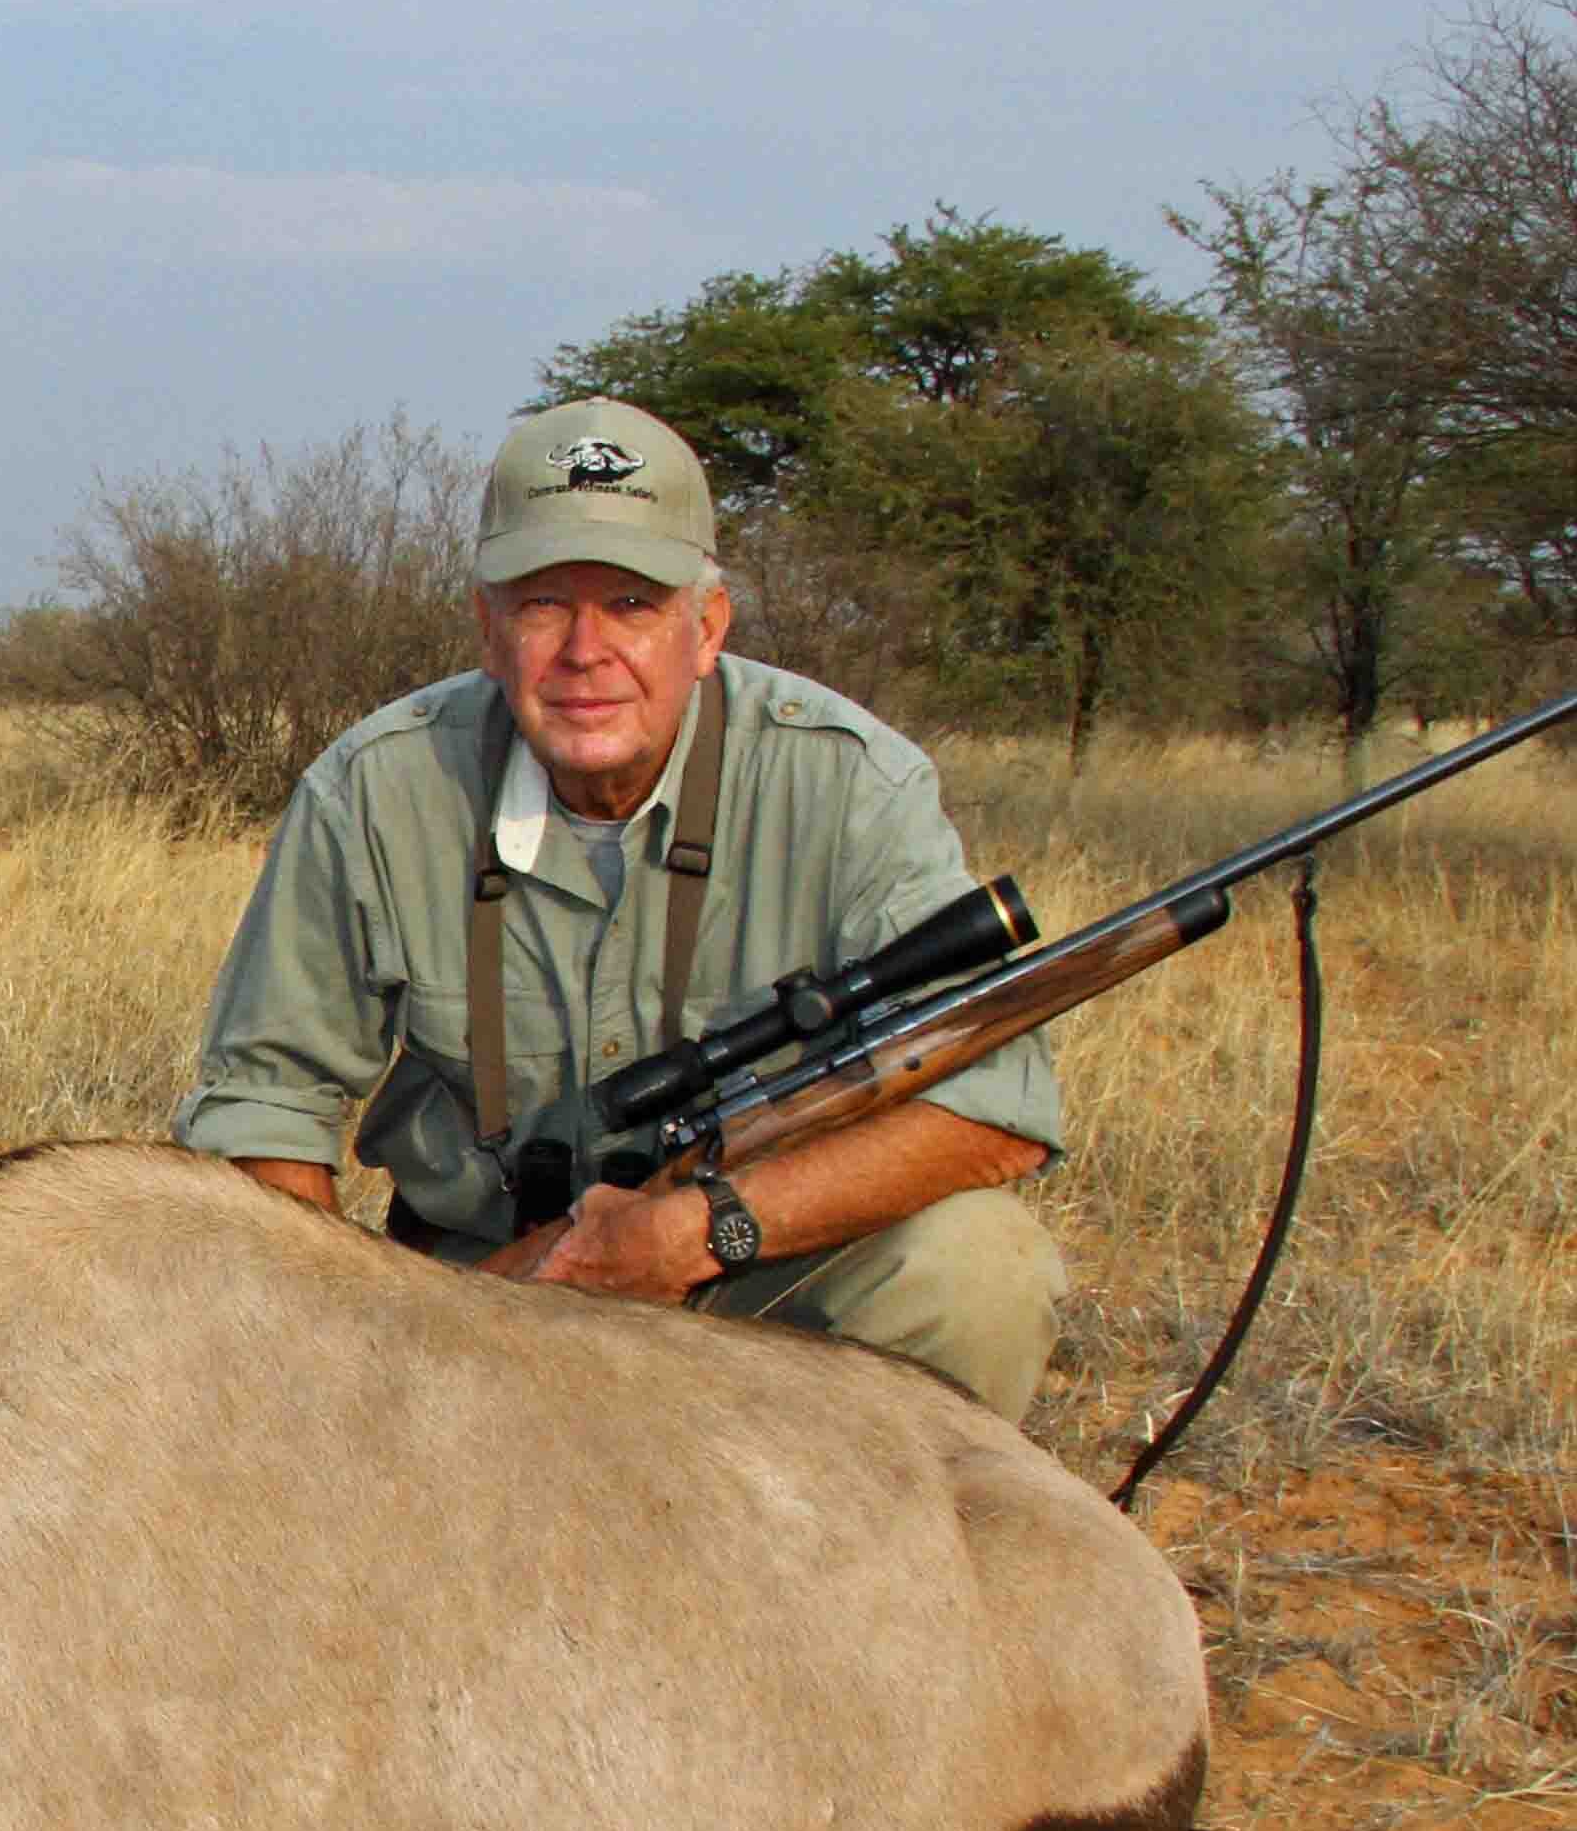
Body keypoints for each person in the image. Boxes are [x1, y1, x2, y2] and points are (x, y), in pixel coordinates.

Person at [173, 395, 1067, 1422]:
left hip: (761, 1261)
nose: (585, 649)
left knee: (979, 1268)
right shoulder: (376, 787)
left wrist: (698, 1230)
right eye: (544, 603)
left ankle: (864, 1576)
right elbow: (264, 1102)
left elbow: (997, 1111)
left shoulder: (849, 782)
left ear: (707, 626)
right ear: (488, 626)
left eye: (635, 604)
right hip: (480, 1290)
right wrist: (328, 1347)